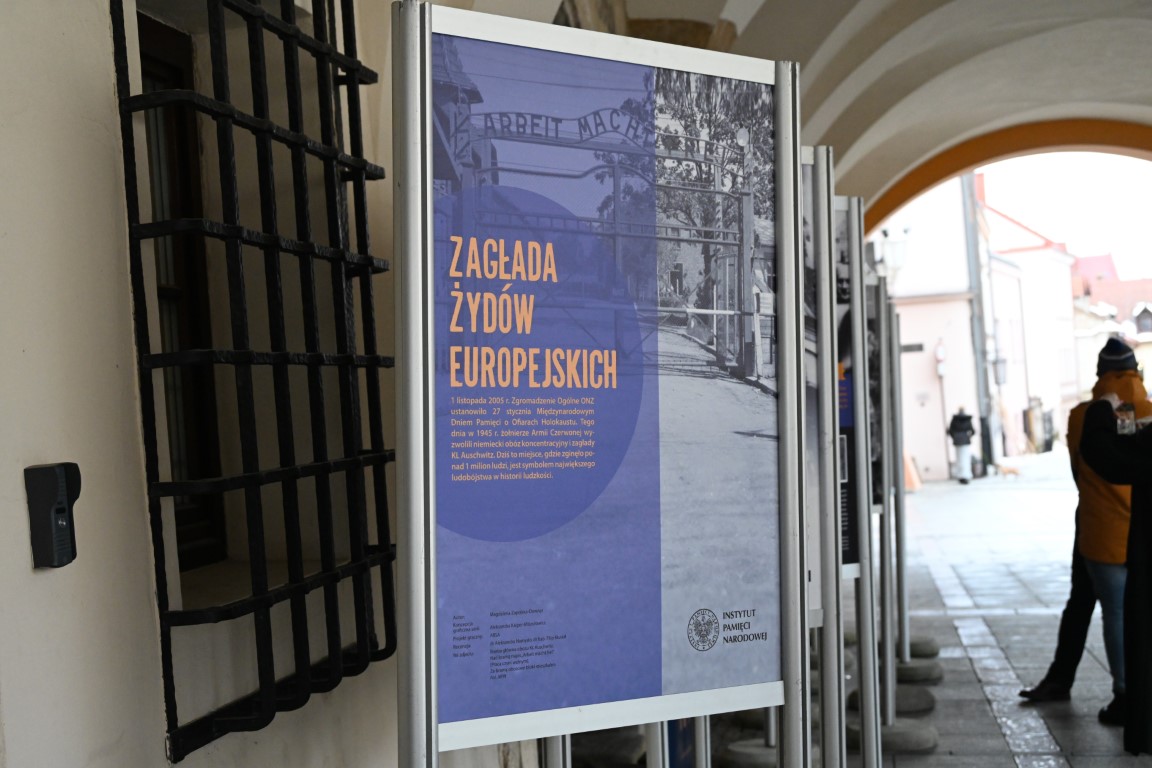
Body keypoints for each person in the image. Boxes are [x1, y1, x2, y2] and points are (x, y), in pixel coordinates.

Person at [1021, 338, 1151, 723]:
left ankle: (1124, 695)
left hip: (1098, 531)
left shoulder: (1083, 416)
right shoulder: (1150, 411)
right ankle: (1064, 679)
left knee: (1111, 612)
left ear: (1099, 374)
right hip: (1140, 532)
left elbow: (1080, 470)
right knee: (1099, 606)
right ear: (1136, 372)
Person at [1080, 371, 1152, 754]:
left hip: (1105, 536)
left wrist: (1100, 411)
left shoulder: (1088, 412)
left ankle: (1125, 695)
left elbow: (1103, 455)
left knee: (1121, 617)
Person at [947, 407, 975, 484]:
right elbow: (973, 431)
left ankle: (960, 476)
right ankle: (966, 475)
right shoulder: (967, 419)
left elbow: (950, 430)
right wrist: (967, 437)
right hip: (965, 441)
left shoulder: (955, 419)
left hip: (957, 441)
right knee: (966, 459)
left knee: (959, 458)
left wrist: (955, 437)